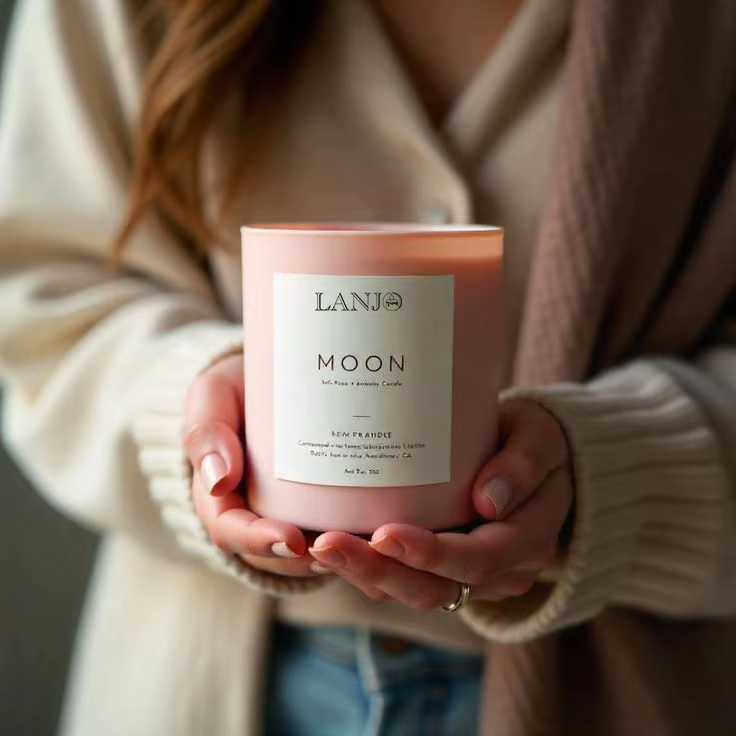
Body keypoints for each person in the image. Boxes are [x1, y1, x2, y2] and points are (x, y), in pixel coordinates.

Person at [0, 0, 735, 734]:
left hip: (624, 688)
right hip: (208, 681)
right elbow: (40, 302)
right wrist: (193, 418)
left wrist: (617, 473)